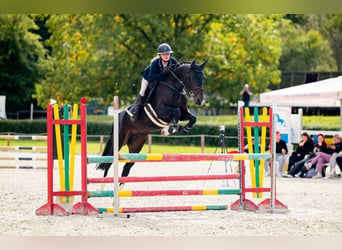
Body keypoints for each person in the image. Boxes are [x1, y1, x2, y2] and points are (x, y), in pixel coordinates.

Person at [128, 43, 178, 121]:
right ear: (160, 55)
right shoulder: (155, 63)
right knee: (143, 91)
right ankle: (135, 109)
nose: (166, 55)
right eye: (164, 54)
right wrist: (163, 73)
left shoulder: (173, 61)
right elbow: (152, 78)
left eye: (168, 53)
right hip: (148, 77)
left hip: (163, 80)